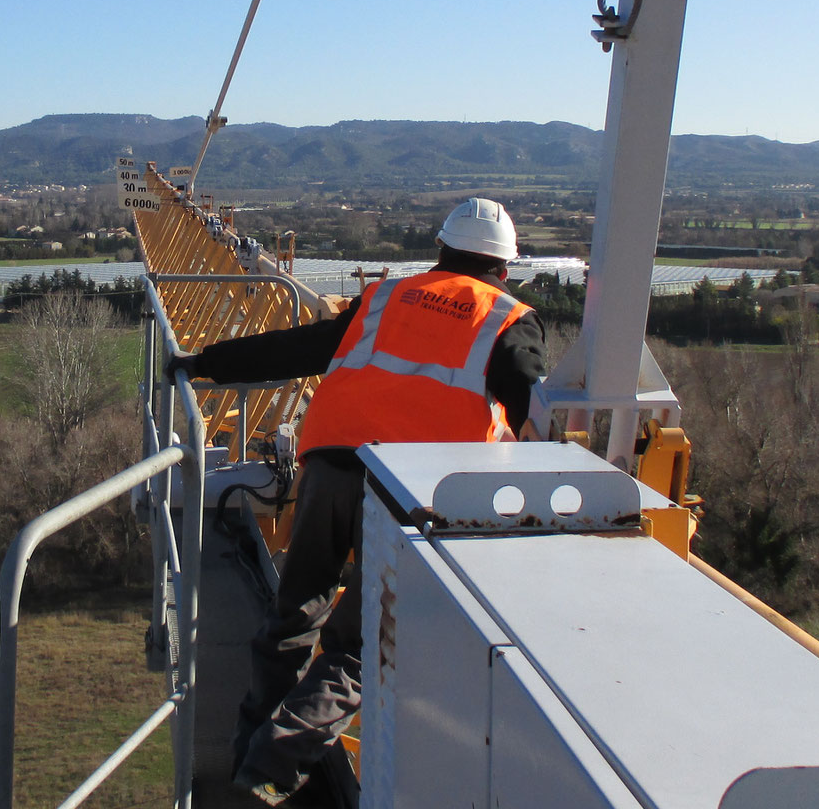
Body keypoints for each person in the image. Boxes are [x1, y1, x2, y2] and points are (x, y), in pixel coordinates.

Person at [166, 197, 546, 805]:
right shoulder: (510, 318)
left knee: (294, 616)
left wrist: (206, 362)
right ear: (504, 267)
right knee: (359, 644)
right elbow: (530, 402)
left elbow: (298, 347)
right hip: (407, 492)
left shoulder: (387, 297)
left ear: (441, 251)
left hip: (330, 464)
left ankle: (248, 746)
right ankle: (270, 770)